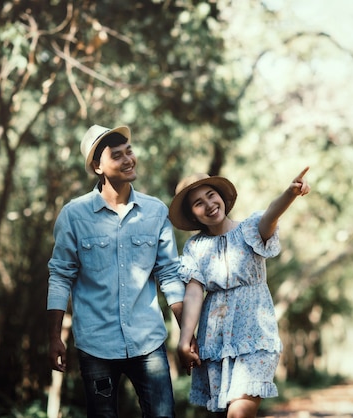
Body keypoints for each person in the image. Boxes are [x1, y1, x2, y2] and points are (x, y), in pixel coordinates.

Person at [47, 124, 190, 418]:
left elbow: (170, 274)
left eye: (130, 151)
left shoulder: (156, 211)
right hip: (95, 343)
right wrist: (54, 336)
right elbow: (61, 276)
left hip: (148, 341)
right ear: (98, 166)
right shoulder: (73, 216)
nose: (129, 159)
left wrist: (186, 333)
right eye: (117, 155)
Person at [168, 167, 311, 417]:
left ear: (221, 197)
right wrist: (185, 339)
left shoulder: (250, 229)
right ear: (192, 214)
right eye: (198, 203)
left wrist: (290, 193)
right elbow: (193, 294)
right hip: (215, 340)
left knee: (239, 413)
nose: (209, 205)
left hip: (255, 335)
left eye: (211, 195)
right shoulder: (195, 247)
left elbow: (271, 214)